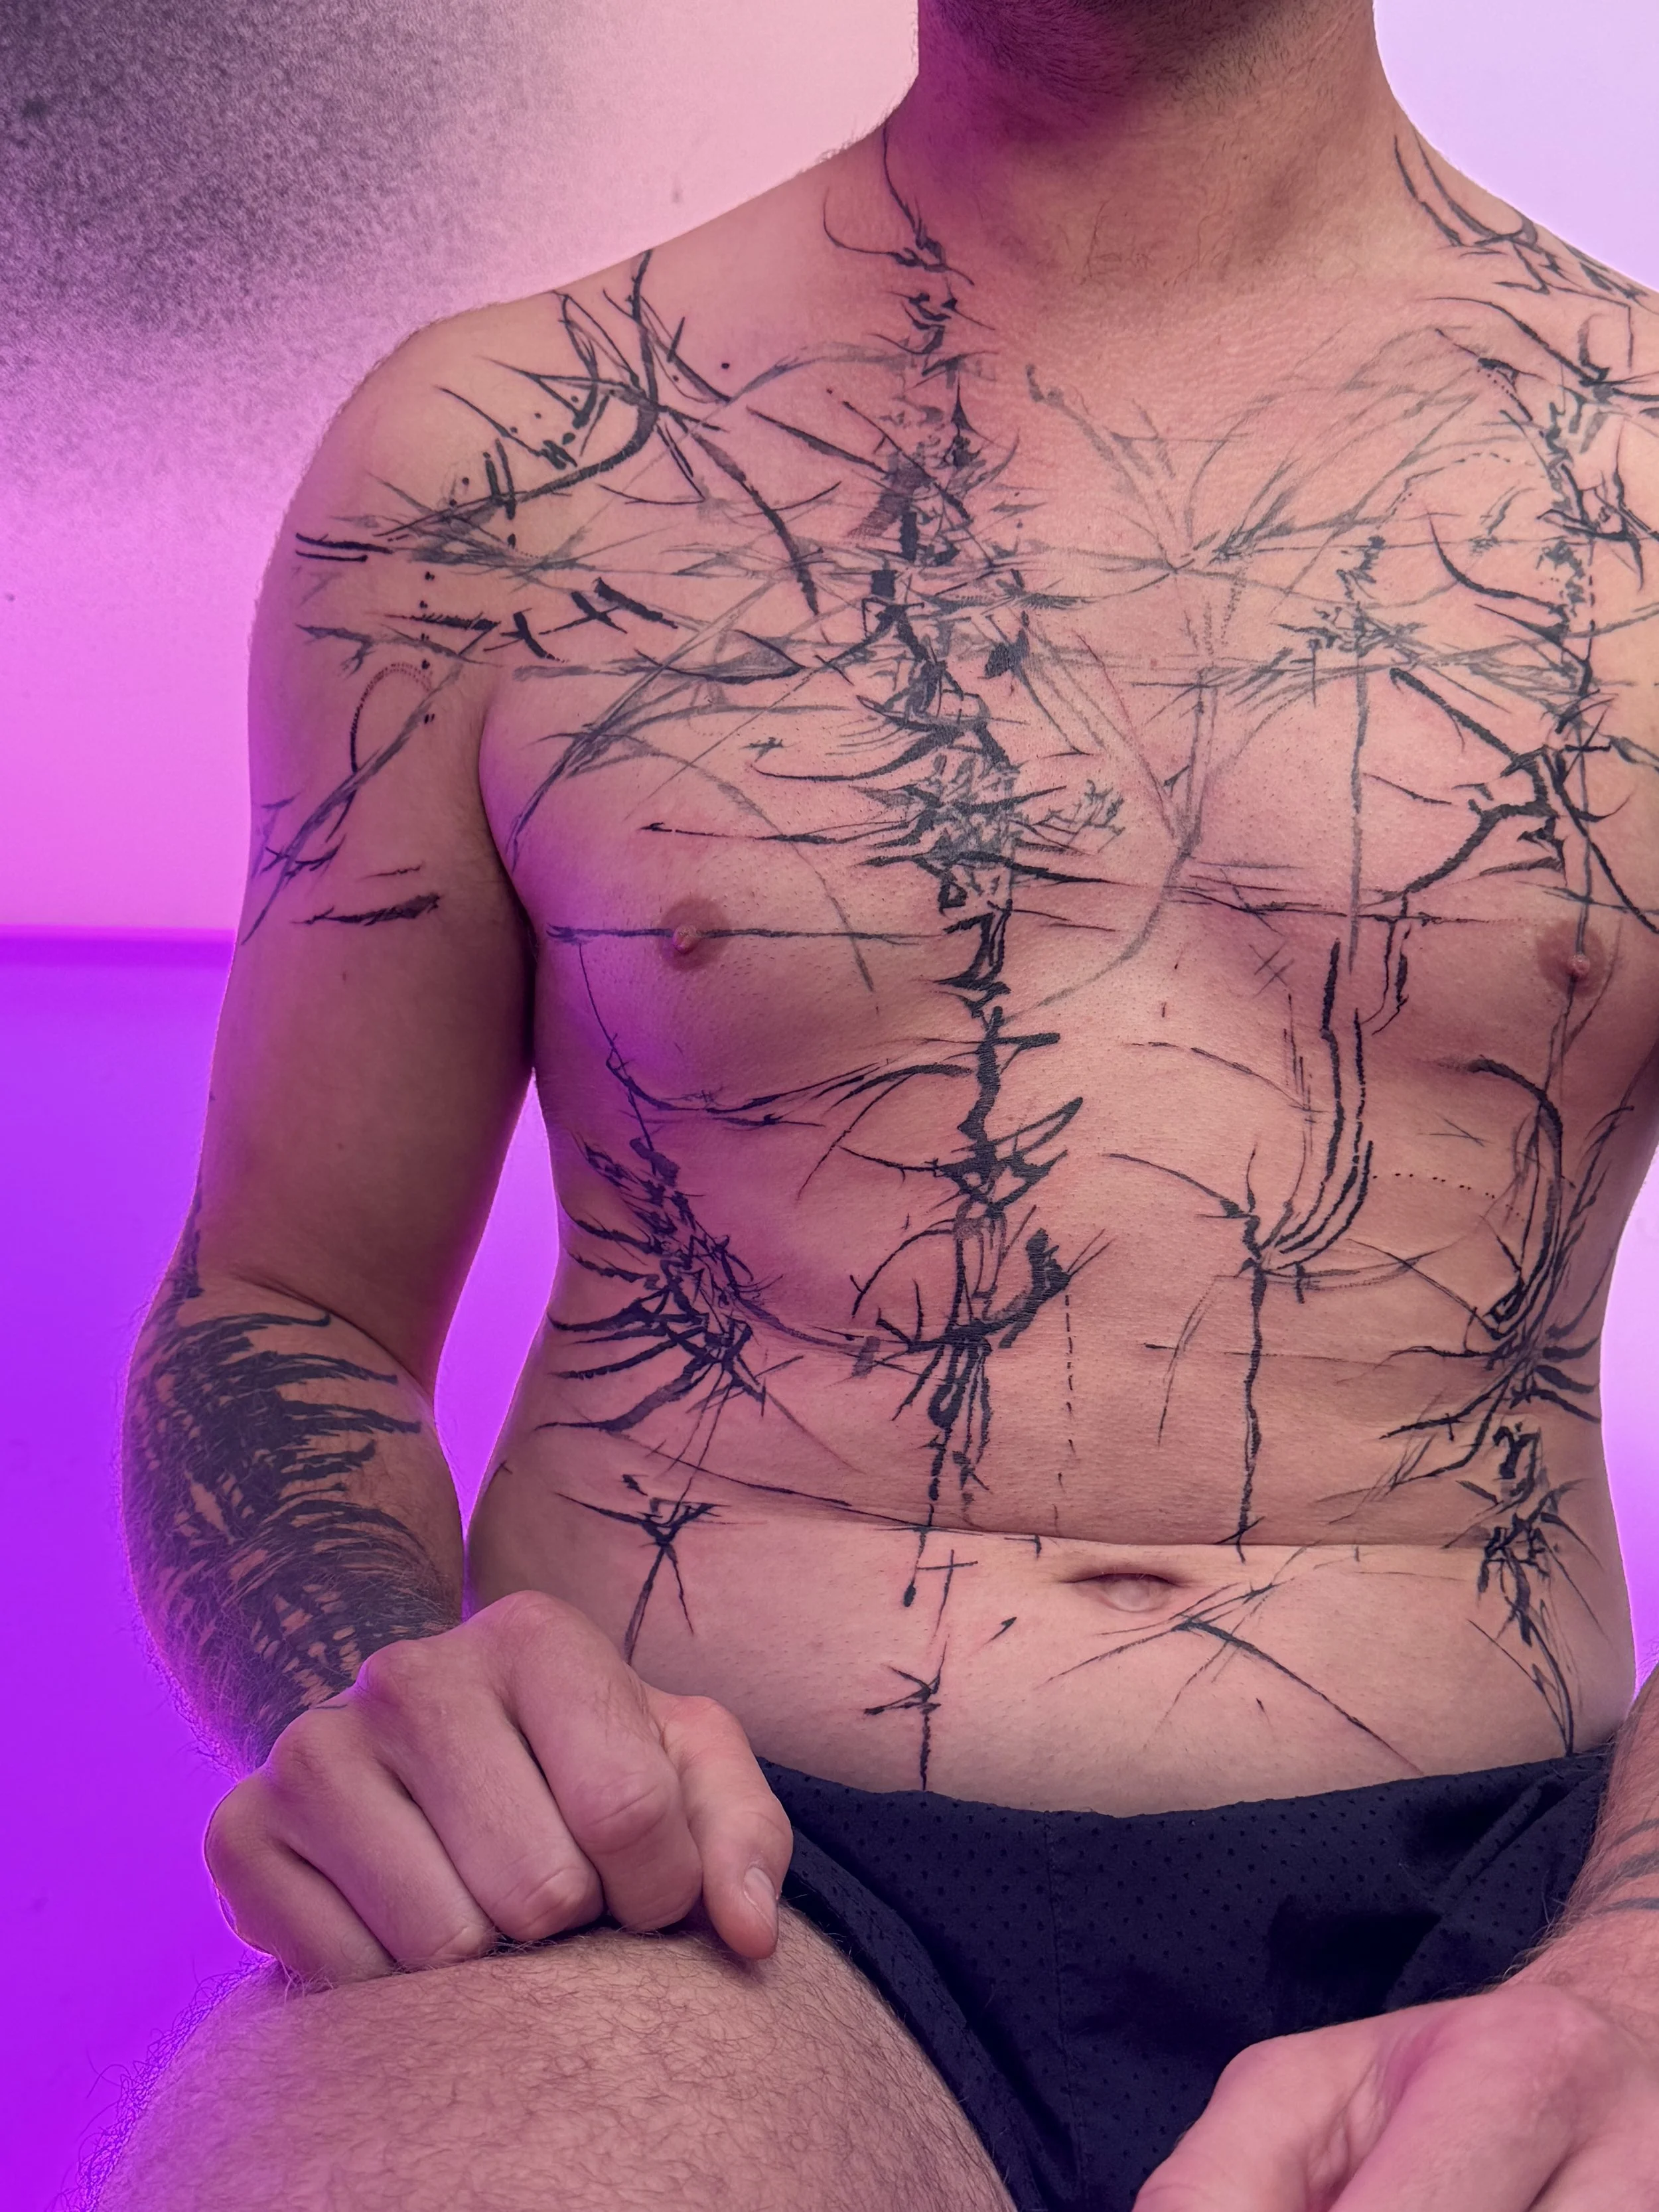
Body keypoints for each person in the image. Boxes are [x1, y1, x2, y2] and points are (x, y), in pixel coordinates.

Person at [106, 0, 1659, 2203]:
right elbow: (279, 1313)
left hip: (1542, 1882)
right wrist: (395, 1698)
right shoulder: (496, 460)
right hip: (685, 1897)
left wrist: (1638, 1966)